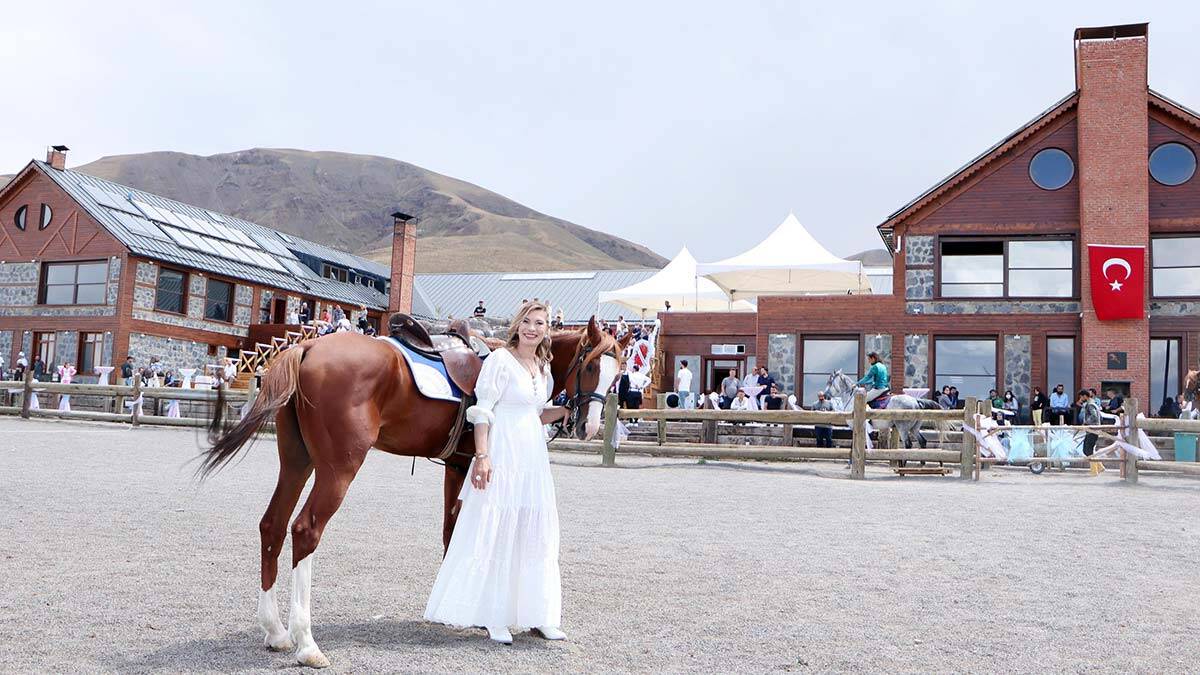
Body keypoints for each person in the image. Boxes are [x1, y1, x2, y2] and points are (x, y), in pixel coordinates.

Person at [424, 301, 572, 644]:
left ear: (547, 329)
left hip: (533, 458)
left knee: (532, 530)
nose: (533, 328)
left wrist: (562, 410)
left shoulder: (542, 367)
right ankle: (495, 615)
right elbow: (483, 412)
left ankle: (539, 614)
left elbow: (534, 414)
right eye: (528, 322)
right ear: (517, 326)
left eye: (540, 323)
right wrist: (483, 457)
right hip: (502, 452)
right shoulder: (501, 362)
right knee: (499, 528)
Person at [1078, 389, 1101, 460]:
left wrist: (1086, 422)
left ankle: (1095, 469)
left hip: (1093, 430)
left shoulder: (1090, 404)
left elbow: (1094, 416)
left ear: (1085, 396)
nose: (1080, 399)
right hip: (1092, 430)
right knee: (1088, 450)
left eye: (1081, 397)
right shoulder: (1092, 403)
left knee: (1088, 450)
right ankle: (1099, 467)